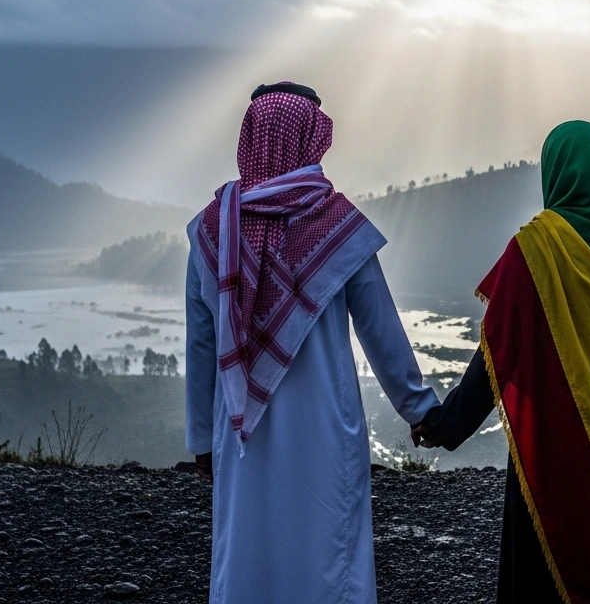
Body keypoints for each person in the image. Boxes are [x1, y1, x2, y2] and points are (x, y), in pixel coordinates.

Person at [413, 120, 590, 604]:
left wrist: (446, 425)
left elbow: (494, 358)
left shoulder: (535, 250)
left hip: (556, 456)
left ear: (552, 172)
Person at [185, 82, 439, 603]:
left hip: (240, 435)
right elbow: (380, 329)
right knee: (329, 560)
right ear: (310, 139)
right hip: (325, 428)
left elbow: (202, 345)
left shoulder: (214, 231)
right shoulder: (336, 225)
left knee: (248, 556)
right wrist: (422, 412)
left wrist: (201, 441)